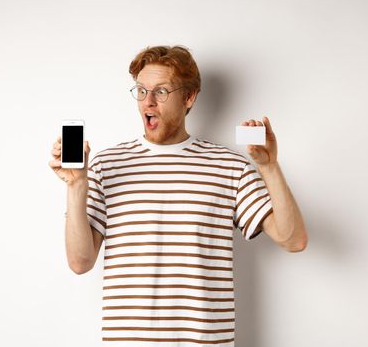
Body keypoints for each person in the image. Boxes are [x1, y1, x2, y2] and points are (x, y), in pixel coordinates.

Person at [49, 45, 308, 346]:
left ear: (189, 97)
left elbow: (294, 240)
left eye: (161, 92)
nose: (148, 102)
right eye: (142, 91)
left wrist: (268, 166)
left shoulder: (229, 167)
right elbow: (80, 262)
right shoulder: (107, 165)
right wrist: (76, 185)